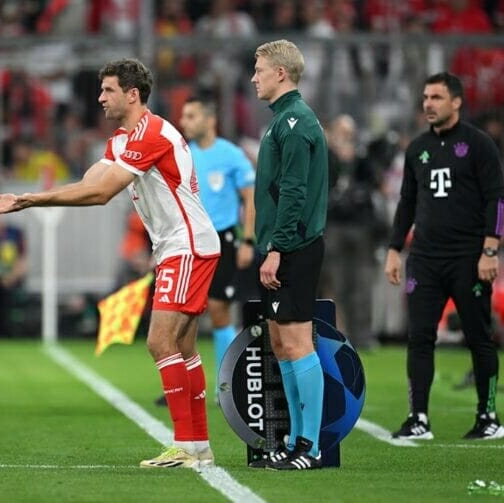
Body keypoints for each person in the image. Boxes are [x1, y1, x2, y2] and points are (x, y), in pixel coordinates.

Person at [0, 58, 221, 469]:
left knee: (160, 342)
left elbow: (100, 194)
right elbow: (91, 183)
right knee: (183, 347)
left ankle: (186, 446)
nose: (100, 98)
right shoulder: (123, 140)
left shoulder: (153, 133)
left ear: (133, 94)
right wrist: (37, 193)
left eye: (108, 90)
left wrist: (27, 199)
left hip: (187, 245)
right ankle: (198, 447)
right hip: (180, 246)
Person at [385, 72, 504, 441]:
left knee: (478, 337)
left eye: (436, 97)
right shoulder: (417, 148)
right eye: (425, 97)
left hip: (468, 257)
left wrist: (490, 249)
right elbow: (407, 202)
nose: (428, 104)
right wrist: (394, 249)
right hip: (424, 257)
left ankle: (487, 416)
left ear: (456, 102)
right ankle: (418, 417)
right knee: (419, 336)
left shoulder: (480, 145)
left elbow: (496, 200)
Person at [248, 40, 329, 470]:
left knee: (297, 342)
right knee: (280, 342)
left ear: (281, 73)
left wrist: (277, 248)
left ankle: (310, 447)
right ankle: (296, 440)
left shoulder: (295, 122)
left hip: (294, 246)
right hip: (281, 245)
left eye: (259, 69)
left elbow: (295, 191)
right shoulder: (284, 120)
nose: (253, 77)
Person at [178, 94, 256, 393]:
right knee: (184, 314)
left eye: (191, 116)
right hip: (189, 242)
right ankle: (186, 381)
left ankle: (227, 382)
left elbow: (250, 199)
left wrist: (247, 240)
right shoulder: (185, 154)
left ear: (210, 120)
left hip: (223, 239)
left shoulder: (231, 154)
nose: (184, 122)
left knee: (218, 308)